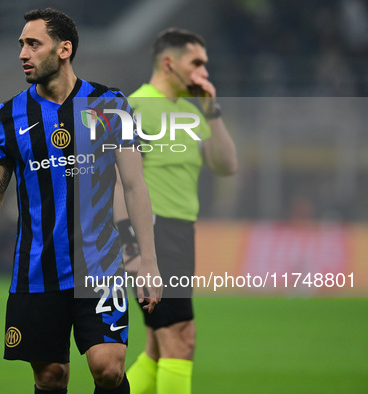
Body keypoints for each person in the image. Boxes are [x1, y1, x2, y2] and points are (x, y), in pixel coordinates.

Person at [0, 8, 161, 394]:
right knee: (50, 377)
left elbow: (134, 187)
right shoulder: (7, 115)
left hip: (99, 267)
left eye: (33, 44)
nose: (23, 54)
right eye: (21, 45)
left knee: (108, 368)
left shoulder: (110, 104)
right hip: (36, 270)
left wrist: (147, 262)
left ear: (64, 49)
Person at [114, 28, 237, 394]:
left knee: (157, 347)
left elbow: (226, 165)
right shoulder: (133, 107)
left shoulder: (191, 111)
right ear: (169, 63)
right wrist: (131, 247)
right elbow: (117, 183)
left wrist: (212, 110)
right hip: (153, 235)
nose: (203, 70)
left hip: (181, 233)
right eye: (196, 62)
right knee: (181, 339)